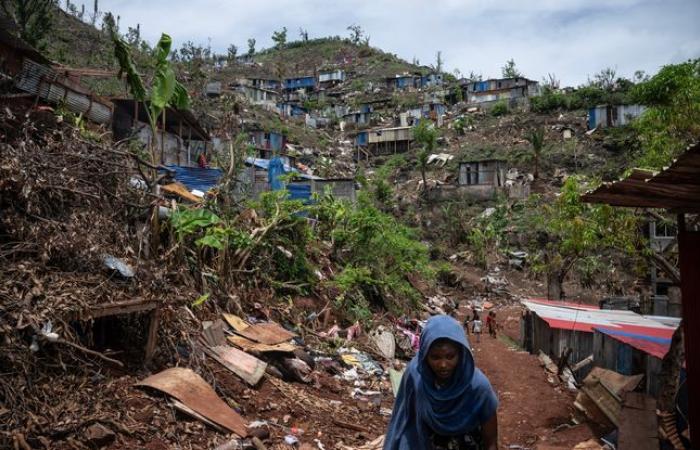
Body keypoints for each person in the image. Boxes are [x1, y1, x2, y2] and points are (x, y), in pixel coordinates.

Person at [384, 315, 498, 450]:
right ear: (425, 355)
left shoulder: (478, 387)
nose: (443, 365)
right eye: (435, 357)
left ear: (461, 354)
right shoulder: (416, 375)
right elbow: (404, 417)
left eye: (450, 356)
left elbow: (491, 442)